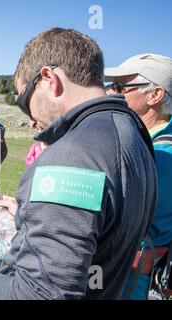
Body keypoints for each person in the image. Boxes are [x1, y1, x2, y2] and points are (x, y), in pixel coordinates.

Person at [0, 28, 157, 300]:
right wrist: (29, 212)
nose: (30, 120)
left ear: (49, 78)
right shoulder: (132, 134)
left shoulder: (70, 158)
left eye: (23, 101)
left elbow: (39, 295)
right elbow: (95, 229)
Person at [104, 53, 172, 300]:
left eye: (121, 87)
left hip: (130, 282)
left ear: (155, 95)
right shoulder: (149, 145)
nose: (110, 93)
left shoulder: (161, 158)